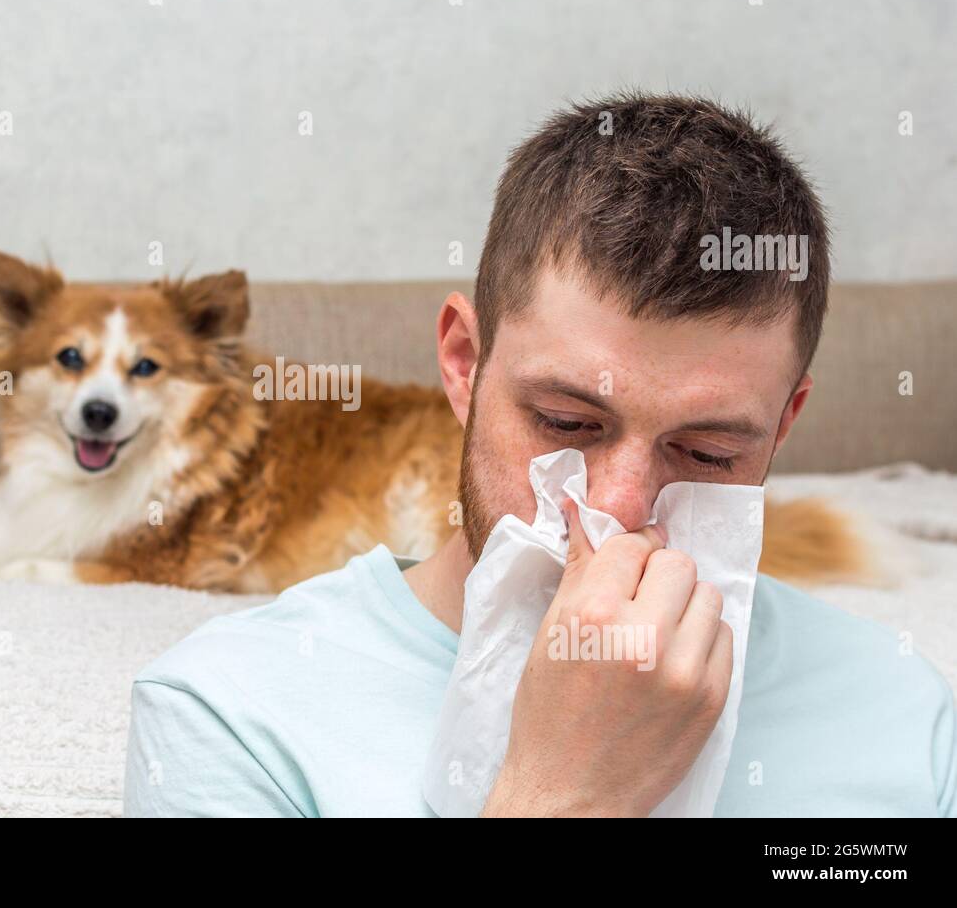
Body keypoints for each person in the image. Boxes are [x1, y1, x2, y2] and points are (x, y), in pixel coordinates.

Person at [122, 93, 956, 817]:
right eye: (566, 423)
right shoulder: (231, 718)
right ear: (462, 364)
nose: (622, 511)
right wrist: (566, 795)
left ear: (781, 428)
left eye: (706, 452)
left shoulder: (905, 719)